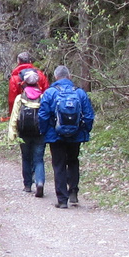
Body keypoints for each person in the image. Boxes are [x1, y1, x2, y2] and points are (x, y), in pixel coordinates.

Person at [38, 65, 94, 208]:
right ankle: (73, 192)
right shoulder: (80, 93)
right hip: (76, 135)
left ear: (56, 77)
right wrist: (85, 131)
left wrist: (44, 132)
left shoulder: (50, 93)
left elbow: (43, 115)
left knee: (59, 165)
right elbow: (88, 115)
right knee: (73, 161)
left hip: (55, 136)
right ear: (69, 76)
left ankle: (62, 200)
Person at [6, 67, 46, 197]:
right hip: (39, 132)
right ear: (37, 82)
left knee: (26, 158)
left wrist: (12, 134)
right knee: (39, 159)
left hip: (24, 133)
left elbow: (14, 117)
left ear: (24, 82)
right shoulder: (43, 97)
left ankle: (27, 185)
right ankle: (40, 182)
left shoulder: (20, 98)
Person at [7, 50, 40, 118]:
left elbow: (12, 99)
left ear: (18, 62)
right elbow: (46, 92)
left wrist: (12, 115)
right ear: (30, 61)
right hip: (39, 111)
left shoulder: (14, 78)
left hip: (22, 114)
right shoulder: (39, 75)